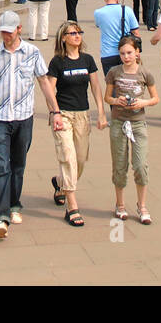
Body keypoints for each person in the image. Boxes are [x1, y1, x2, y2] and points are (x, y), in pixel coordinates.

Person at [0, 10, 63, 239]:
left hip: (24, 118)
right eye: (2, 31)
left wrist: (55, 112)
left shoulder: (32, 53)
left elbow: (44, 82)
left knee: (18, 166)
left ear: (19, 29)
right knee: (1, 168)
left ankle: (14, 204)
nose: (5, 35)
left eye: (9, 31)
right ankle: (0, 218)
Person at [46, 21, 106, 227]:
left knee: (80, 159)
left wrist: (101, 112)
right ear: (63, 38)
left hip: (82, 115)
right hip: (63, 114)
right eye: (72, 33)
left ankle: (61, 183)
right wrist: (54, 113)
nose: (77, 36)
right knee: (68, 158)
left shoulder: (88, 60)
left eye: (79, 32)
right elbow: (49, 90)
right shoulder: (57, 62)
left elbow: (96, 86)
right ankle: (72, 206)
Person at [104, 35, 159, 224]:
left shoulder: (145, 73)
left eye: (129, 53)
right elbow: (107, 98)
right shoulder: (113, 72)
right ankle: (120, 204)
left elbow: (155, 98)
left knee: (141, 165)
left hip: (137, 123)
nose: (126, 57)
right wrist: (115, 100)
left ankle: (142, 205)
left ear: (137, 52)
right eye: (122, 53)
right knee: (119, 165)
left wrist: (143, 102)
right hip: (119, 122)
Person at [93, 0, 140, 76]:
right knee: (127, 83)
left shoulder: (98, 13)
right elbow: (136, 32)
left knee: (111, 85)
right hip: (126, 51)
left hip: (108, 53)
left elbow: (98, 25)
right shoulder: (127, 10)